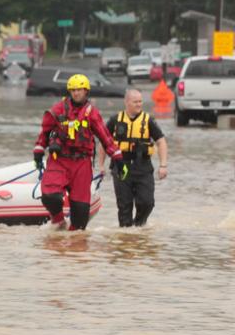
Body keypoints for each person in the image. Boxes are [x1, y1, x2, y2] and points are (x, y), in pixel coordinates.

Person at [33, 73, 123, 231]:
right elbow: (45, 132)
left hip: (82, 163)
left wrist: (117, 157)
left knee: (80, 218)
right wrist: (39, 150)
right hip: (59, 159)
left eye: (79, 90)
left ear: (86, 91)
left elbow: (105, 137)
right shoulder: (58, 109)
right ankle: (58, 221)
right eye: (73, 90)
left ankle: (73, 248)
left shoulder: (92, 113)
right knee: (50, 196)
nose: (76, 93)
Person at [100, 88, 168, 227]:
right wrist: (101, 165)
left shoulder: (148, 120)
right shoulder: (115, 120)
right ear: (126, 103)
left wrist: (163, 165)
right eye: (135, 102)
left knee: (147, 203)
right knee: (124, 206)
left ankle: (139, 227)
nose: (139, 104)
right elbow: (103, 143)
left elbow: (161, 142)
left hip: (142, 166)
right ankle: (127, 239)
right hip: (121, 166)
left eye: (140, 101)